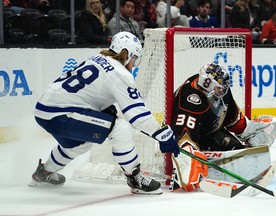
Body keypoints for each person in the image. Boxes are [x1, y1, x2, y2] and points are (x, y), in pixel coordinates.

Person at [29, 31, 179, 195]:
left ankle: (43, 173)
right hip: (61, 113)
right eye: (135, 58)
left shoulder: (98, 58)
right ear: (126, 54)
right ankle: (135, 178)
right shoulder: (119, 73)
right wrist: (162, 133)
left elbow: (88, 94)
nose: (134, 64)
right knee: (120, 128)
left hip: (44, 109)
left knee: (79, 144)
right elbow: (137, 116)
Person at [170, 62, 276, 191]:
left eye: (223, 87)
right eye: (219, 88)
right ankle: (201, 167)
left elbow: (231, 117)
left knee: (237, 148)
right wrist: (188, 157)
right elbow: (183, 137)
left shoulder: (219, 89)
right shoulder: (190, 100)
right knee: (223, 151)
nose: (223, 90)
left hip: (211, 130)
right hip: (198, 137)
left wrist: (248, 129)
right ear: (208, 85)